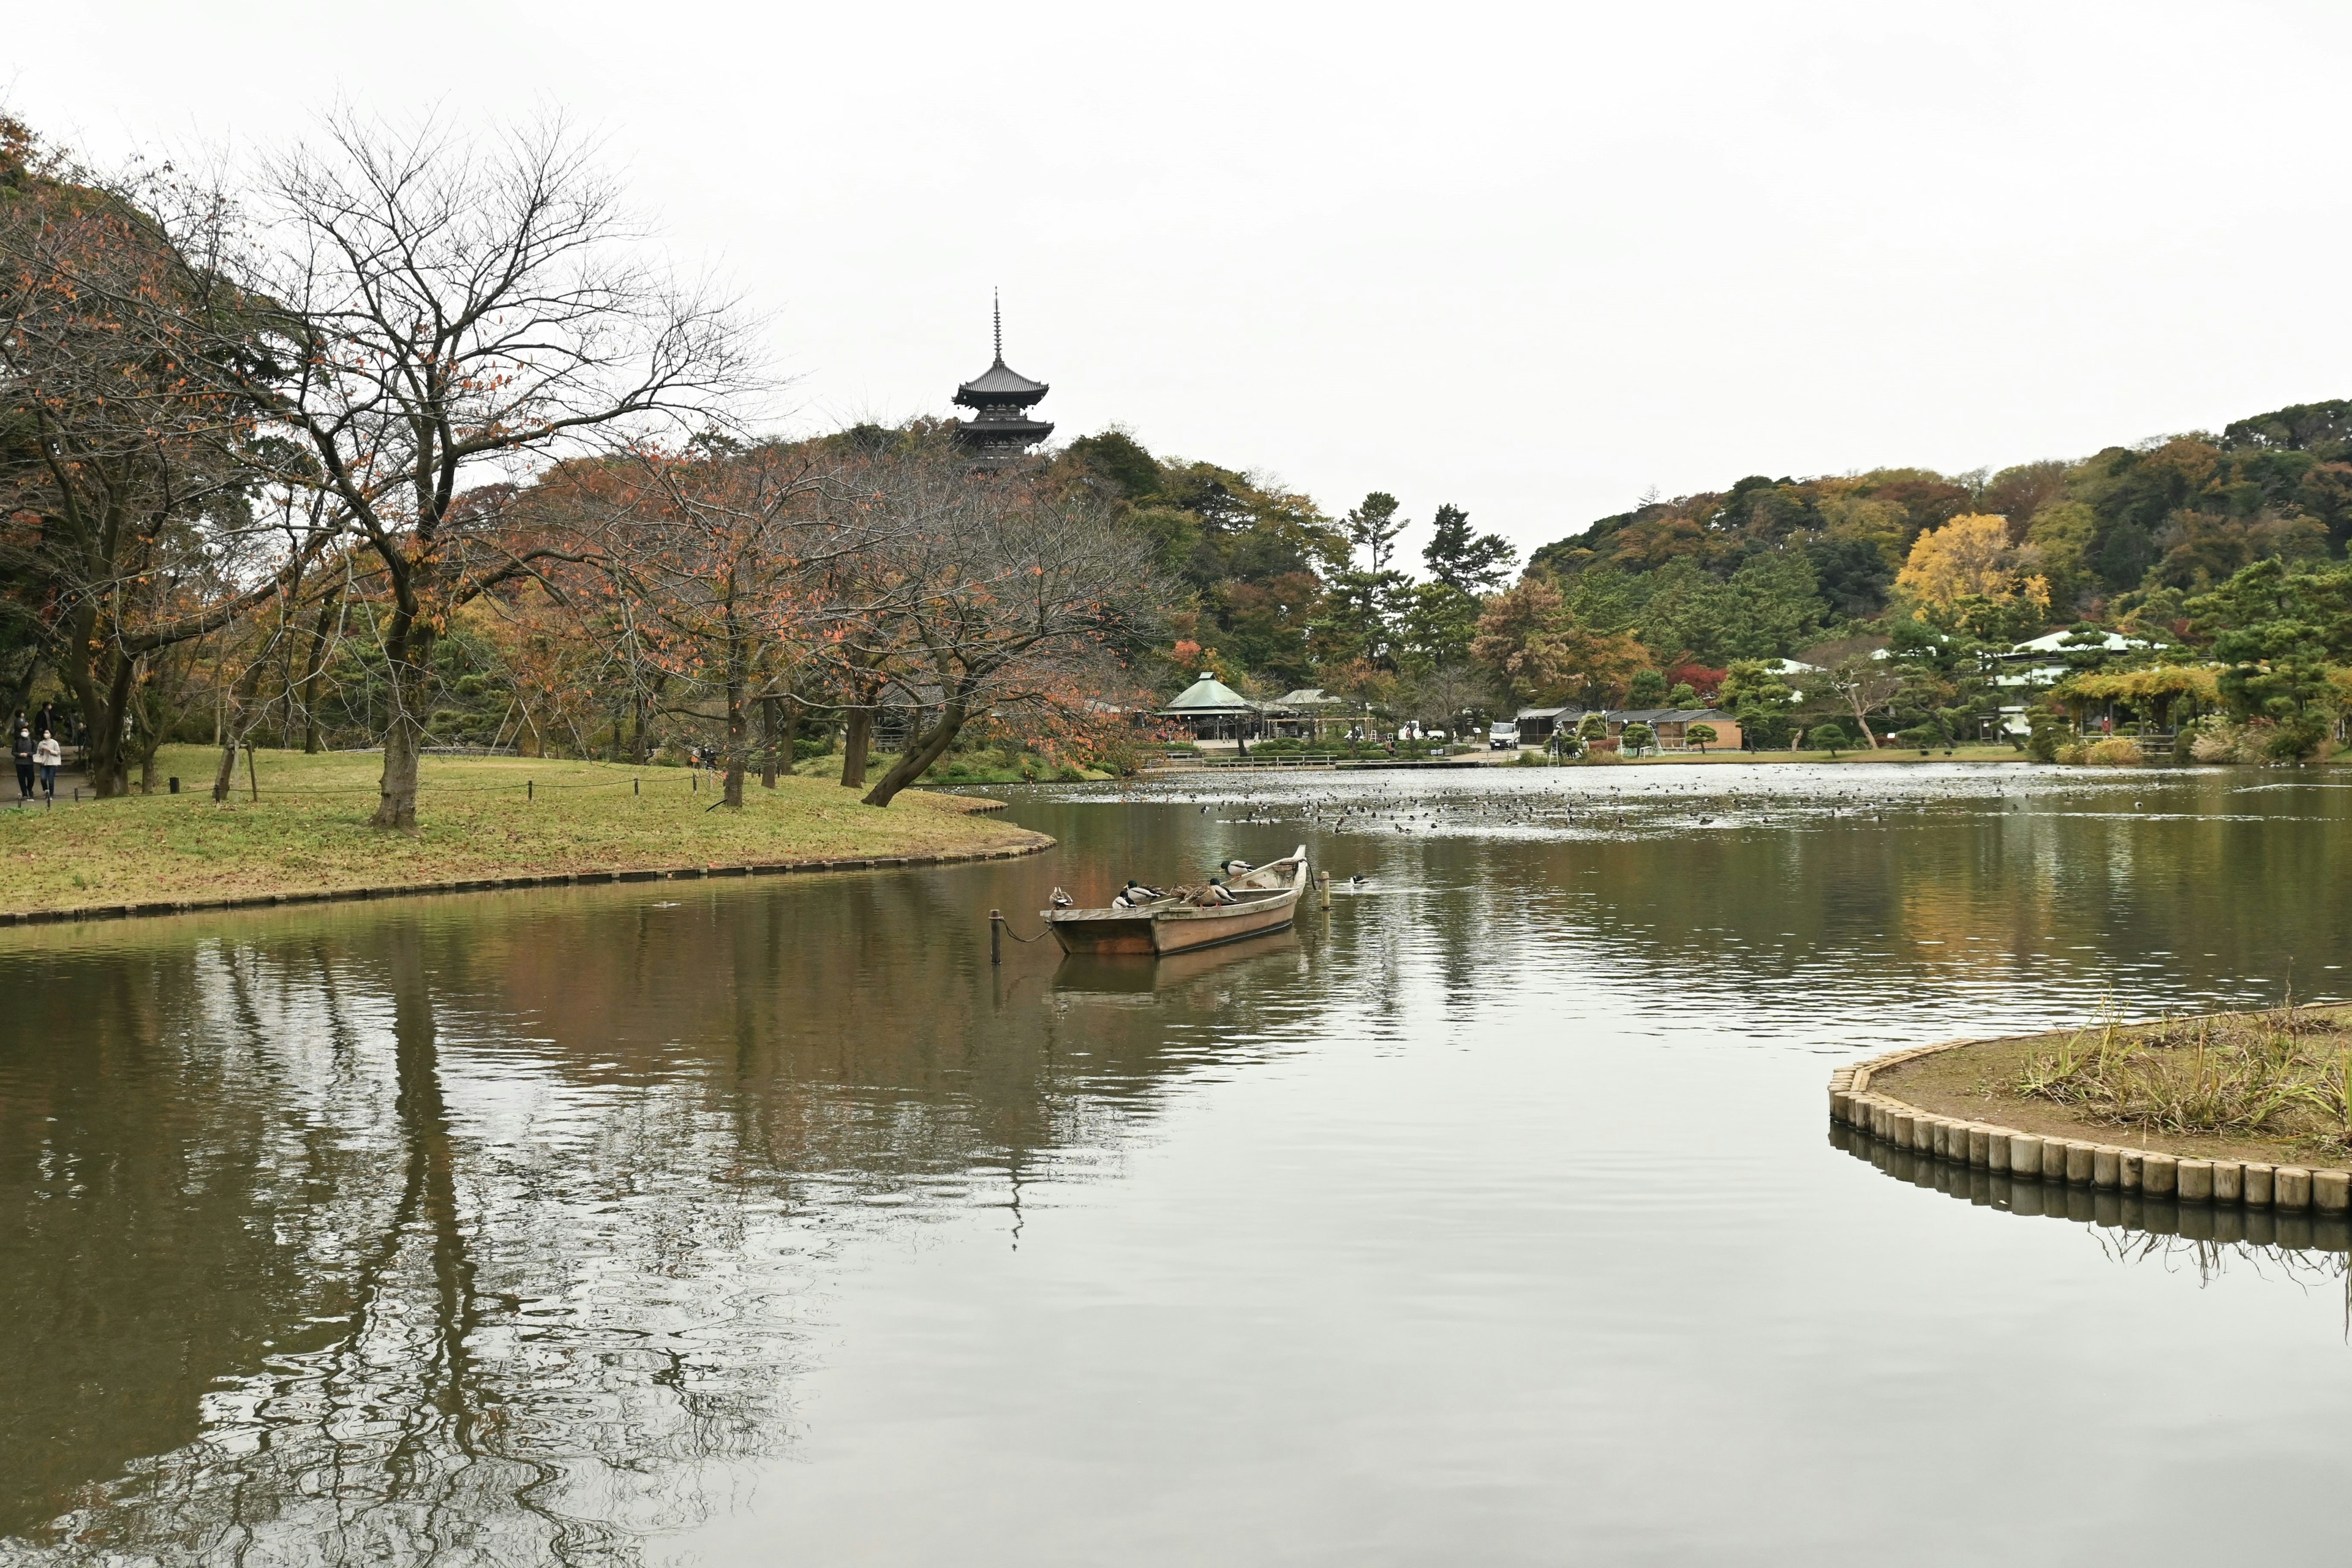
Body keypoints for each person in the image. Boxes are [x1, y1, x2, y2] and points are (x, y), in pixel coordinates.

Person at [34, 729, 61, 799]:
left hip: (53, 763)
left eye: (47, 733)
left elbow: (58, 752)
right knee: (43, 778)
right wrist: (42, 751)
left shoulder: (54, 743)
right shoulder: (41, 743)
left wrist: (50, 751)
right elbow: (38, 753)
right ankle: (46, 790)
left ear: (51, 735)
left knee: (51, 780)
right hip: (44, 763)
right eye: (45, 733)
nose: (46, 734)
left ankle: (51, 794)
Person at [11, 721, 32, 801]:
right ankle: (25, 794)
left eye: (26, 731)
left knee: (31, 778)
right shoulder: (17, 742)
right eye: (22, 731)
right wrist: (20, 755)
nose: (24, 733)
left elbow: (35, 751)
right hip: (19, 762)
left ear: (29, 733)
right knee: (21, 779)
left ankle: (29, 789)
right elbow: (13, 752)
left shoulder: (32, 742)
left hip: (29, 762)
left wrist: (28, 754)